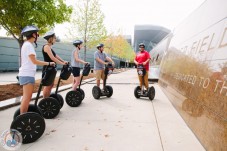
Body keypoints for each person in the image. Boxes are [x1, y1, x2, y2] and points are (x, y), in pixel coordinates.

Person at [18, 25, 55, 114]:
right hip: (27, 74)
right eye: (37, 35)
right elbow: (34, 61)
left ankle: (22, 116)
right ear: (33, 35)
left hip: (27, 74)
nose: (38, 36)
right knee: (27, 97)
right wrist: (49, 63)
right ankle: (22, 118)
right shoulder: (28, 45)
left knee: (27, 97)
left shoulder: (26, 45)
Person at [42, 31, 68, 98]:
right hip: (47, 68)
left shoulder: (50, 47)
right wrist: (62, 63)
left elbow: (55, 55)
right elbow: (52, 58)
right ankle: (45, 100)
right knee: (48, 85)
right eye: (54, 38)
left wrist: (63, 61)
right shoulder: (46, 46)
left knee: (51, 84)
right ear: (51, 38)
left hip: (51, 68)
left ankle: (48, 99)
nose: (55, 39)